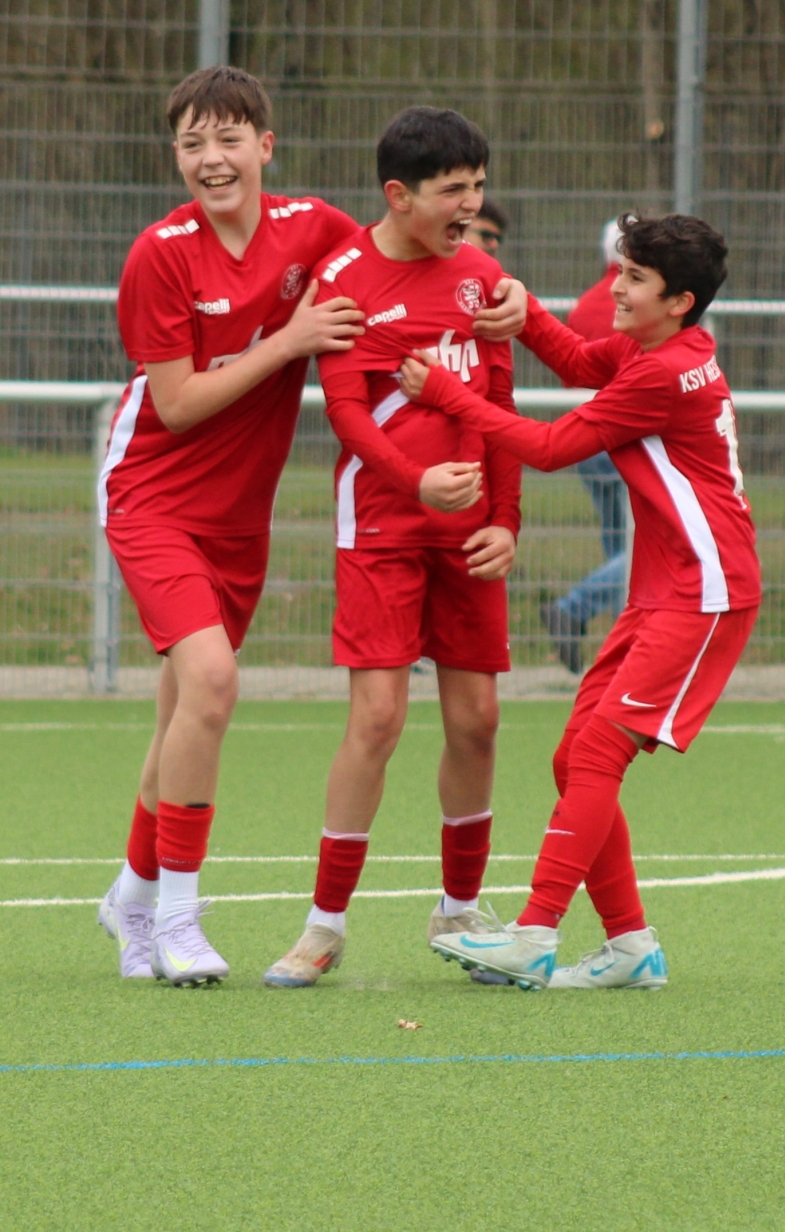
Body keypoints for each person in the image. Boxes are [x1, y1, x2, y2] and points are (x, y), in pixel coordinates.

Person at [90, 66, 519, 987]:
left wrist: (507, 293)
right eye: (192, 144)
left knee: (182, 714)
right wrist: (288, 341)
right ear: (176, 156)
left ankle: (134, 891)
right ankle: (177, 918)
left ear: (265, 146)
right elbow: (177, 404)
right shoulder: (159, 253)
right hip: (151, 494)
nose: (211, 159)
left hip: (240, 515)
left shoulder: (312, 229)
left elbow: (404, 245)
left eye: (228, 139)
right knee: (212, 683)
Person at [411, 214, 759, 990]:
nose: (617, 289)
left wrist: (445, 393)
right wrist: (523, 304)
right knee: (574, 759)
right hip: (665, 591)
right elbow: (574, 357)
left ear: (680, 301)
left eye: (635, 278)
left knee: (597, 755)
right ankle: (630, 947)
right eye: (621, 271)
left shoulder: (660, 374)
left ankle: (534, 934)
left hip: (704, 593)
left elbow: (545, 449)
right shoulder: (657, 350)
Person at [261, 106, 525, 987]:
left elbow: (502, 408)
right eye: (453, 190)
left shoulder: (485, 280)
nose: (471, 204)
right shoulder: (344, 280)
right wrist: (414, 483)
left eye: (477, 186)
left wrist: (505, 520)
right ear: (399, 195)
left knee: (478, 720)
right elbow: (344, 413)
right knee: (377, 719)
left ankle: (460, 913)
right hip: (380, 525)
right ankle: (324, 926)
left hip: (468, 532)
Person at [542, 219, 630, 672]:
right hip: (622, 437)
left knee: (619, 545)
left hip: (586, 435)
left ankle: (625, 647)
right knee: (640, 549)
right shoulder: (639, 301)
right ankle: (573, 609)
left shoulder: (587, 303)